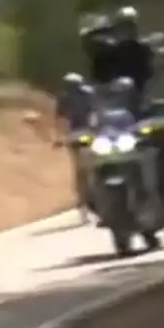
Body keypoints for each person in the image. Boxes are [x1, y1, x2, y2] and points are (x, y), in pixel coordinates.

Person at [54, 72, 96, 222]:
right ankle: (85, 204)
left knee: (81, 172)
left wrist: (59, 137)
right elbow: (60, 119)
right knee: (83, 171)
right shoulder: (87, 94)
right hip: (84, 134)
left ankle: (86, 204)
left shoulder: (66, 97)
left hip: (82, 133)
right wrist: (60, 137)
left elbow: (60, 120)